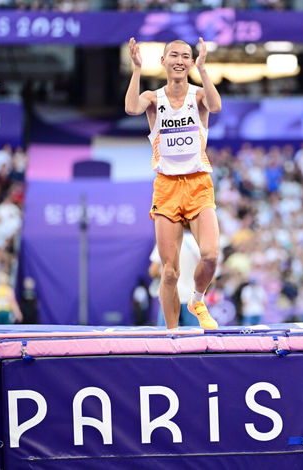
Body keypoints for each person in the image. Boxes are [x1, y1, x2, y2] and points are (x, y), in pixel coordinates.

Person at [125, 37, 221, 330]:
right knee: (168, 272)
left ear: (191, 62)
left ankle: (196, 299)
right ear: (164, 61)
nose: (180, 60)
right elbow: (131, 108)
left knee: (211, 255)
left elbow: (216, 106)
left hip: (198, 183)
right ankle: (172, 334)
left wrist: (204, 69)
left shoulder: (199, 95)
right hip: (166, 187)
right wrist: (136, 69)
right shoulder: (154, 99)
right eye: (174, 55)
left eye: (186, 56)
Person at [148, 230, 203, 327]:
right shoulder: (200, 242)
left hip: (170, 296)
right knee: (195, 337)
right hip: (194, 297)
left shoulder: (166, 241)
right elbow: (210, 276)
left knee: (167, 337)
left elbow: (153, 271)